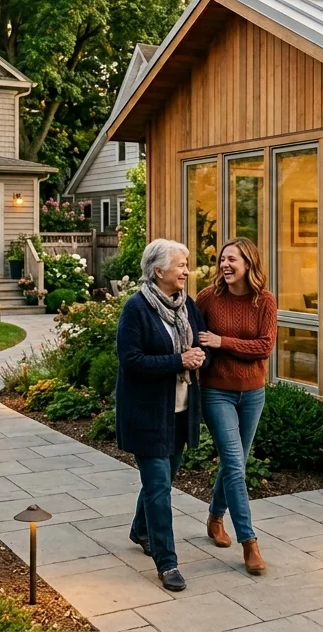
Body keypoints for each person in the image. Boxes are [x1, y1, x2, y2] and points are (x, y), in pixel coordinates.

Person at [115, 238, 207, 592]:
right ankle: (167, 563)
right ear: (158, 271)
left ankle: (141, 530)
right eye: (181, 265)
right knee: (158, 488)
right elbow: (131, 361)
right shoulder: (136, 309)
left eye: (187, 264)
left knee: (162, 481)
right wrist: (178, 361)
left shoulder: (188, 307)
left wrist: (199, 358)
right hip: (148, 414)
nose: (187, 270)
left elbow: (198, 346)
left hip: (181, 413)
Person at [195, 237, 277, 576]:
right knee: (233, 461)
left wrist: (222, 341)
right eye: (222, 259)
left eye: (232, 259)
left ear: (248, 263)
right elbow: (193, 336)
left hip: (253, 392)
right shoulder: (207, 299)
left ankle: (215, 518)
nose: (225, 265)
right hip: (216, 391)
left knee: (236, 462)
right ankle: (250, 542)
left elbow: (264, 346)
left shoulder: (265, 301)